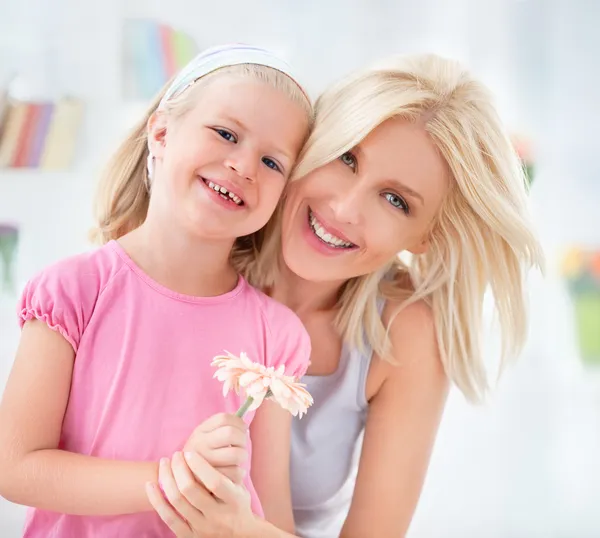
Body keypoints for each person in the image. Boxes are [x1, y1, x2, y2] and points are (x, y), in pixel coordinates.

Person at [146, 53, 545, 538]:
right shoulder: (186, 248)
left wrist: (238, 530)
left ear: (425, 236)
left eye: (395, 200)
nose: (344, 208)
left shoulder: (404, 335)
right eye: (347, 158)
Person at [0, 44, 313, 537]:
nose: (244, 165)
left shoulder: (278, 336)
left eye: (273, 162)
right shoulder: (74, 291)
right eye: (226, 133)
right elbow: (17, 468)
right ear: (162, 133)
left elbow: (272, 522)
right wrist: (178, 478)